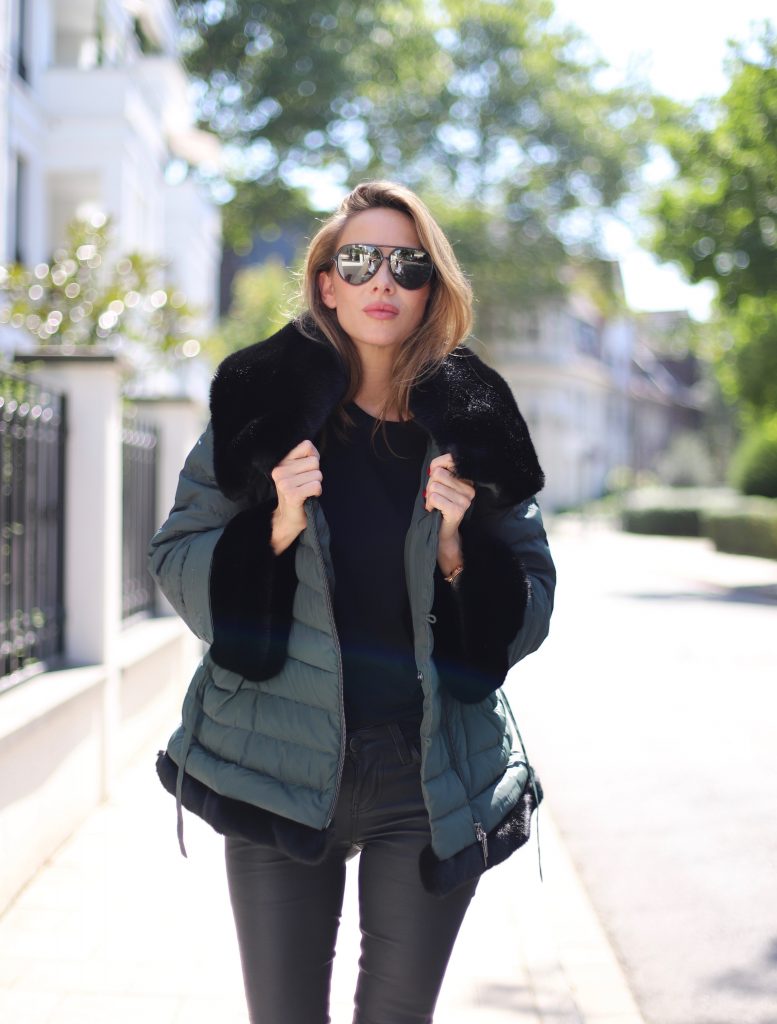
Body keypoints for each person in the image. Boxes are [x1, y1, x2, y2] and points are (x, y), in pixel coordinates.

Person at [150, 180, 556, 1024]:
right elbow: (177, 559)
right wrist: (275, 522)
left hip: (427, 771)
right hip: (275, 762)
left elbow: (532, 604)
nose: (384, 281)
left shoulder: (476, 426)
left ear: (430, 290)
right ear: (326, 282)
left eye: (408, 266)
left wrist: (455, 550)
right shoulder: (256, 409)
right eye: (360, 260)